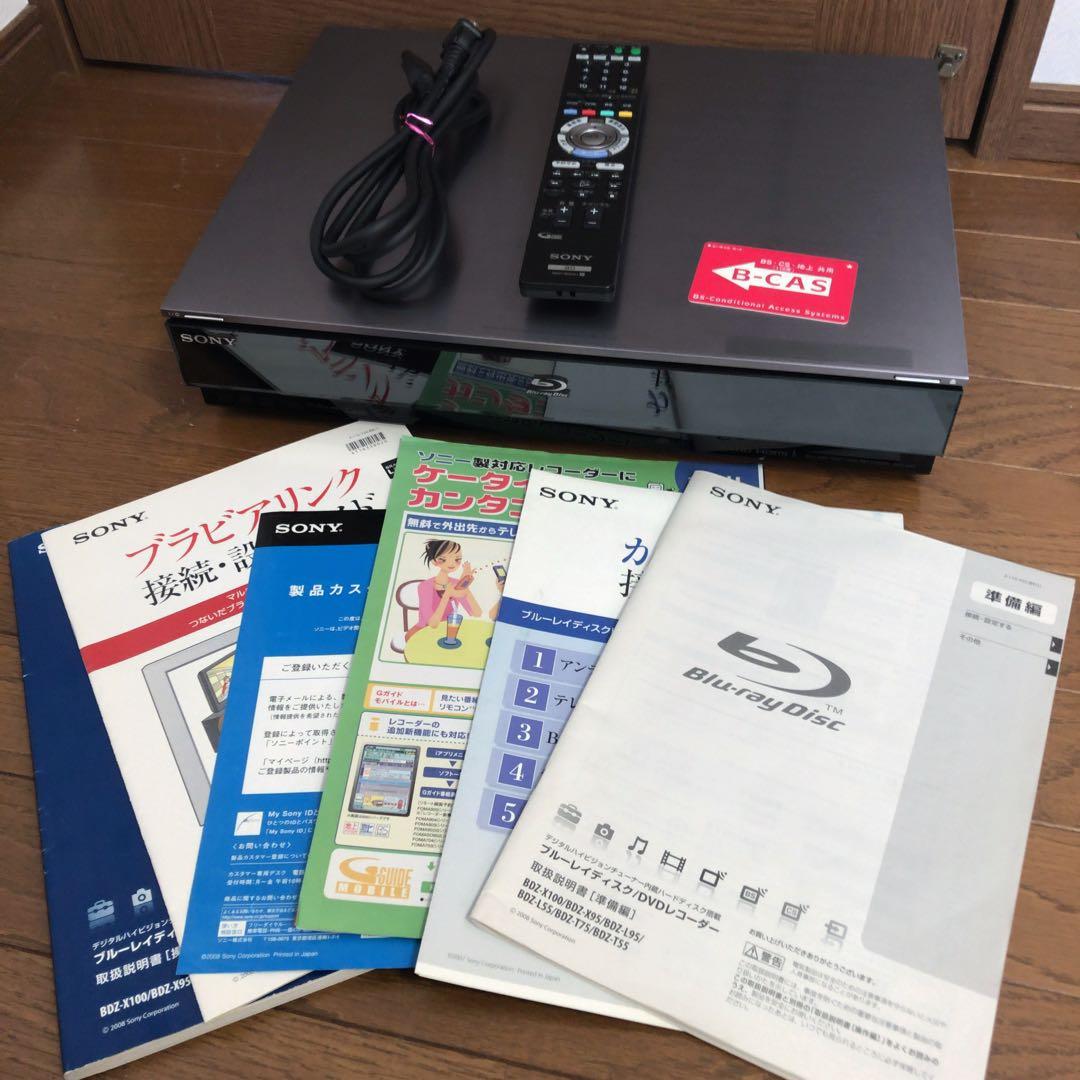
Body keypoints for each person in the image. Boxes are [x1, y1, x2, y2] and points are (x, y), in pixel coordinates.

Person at [406, 539, 482, 642]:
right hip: (423, 631)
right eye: (443, 559)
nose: (452, 563)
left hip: (448, 631)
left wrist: (465, 587)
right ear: (434, 561)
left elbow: (476, 613)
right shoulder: (425, 586)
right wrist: (447, 595)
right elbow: (432, 624)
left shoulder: (456, 584)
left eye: (457, 559)